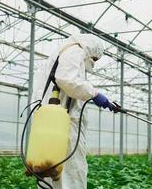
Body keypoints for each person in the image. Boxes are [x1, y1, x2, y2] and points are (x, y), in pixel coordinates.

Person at [32, 34, 114, 189]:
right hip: (63, 124)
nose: (93, 63)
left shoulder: (61, 52)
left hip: (50, 122)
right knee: (72, 171)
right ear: (92, 50)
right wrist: (94, 93)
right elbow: (67, 79)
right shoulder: (75, 50)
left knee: (51, 170)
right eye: (94, 59)